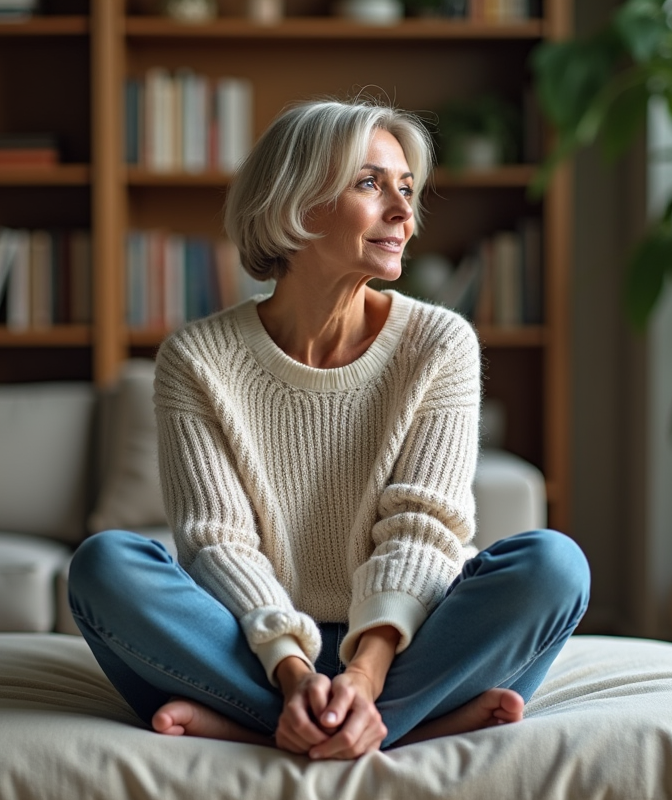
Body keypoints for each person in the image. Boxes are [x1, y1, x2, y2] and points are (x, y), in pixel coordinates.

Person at [69, 98, 590, 760]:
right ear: (295, 202)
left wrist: (365, 678)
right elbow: (217, 542)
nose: (404, 213)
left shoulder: (439, 343)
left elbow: (421, 530)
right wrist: (292, 672)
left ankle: (270, 724)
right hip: (251, 641)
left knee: (554, 565)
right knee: (106, 566)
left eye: (407, 189)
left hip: (406, 636)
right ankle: (407, 723)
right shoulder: (198, 358)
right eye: (371, 184)